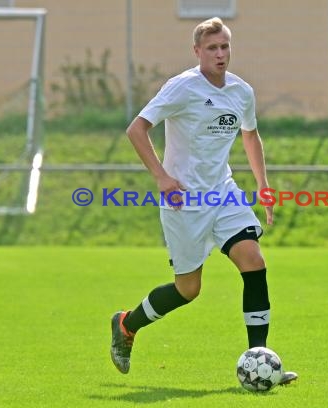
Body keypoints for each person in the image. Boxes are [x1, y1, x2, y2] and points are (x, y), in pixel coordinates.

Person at [110, 16, 298, 385]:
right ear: (197, 52)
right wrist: (162, 178)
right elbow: (137, 129)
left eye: (225, 46)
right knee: (188, 289)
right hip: (185, 202)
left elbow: (250, 136)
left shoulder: (241, 91)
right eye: (212, 47)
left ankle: (258, 360)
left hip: (223, 194)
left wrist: (263, 185)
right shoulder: (182, 88)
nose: (220, 53)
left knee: (253, 260)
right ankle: (126, 324)